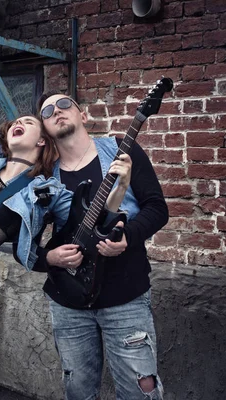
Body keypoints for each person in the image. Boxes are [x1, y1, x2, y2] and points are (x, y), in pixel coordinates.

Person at [0, 18, 133, 400]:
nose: (19, 123)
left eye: (30, 122)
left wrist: (116, 194)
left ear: (41, 143)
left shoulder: (44, 190)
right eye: (16, 121)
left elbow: (85, 221)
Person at [34, 90, 169, 399]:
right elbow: (26, 242)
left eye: (64, 103)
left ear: (83, 115)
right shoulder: (44, 177)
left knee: (141, 390)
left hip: (125, 297)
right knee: (78, 391)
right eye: (48, 111)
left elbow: (157, 209)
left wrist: (128, 237)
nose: (57, 111)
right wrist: (50, 257)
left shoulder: (123, 152)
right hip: (68, 301)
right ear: (45, 130)